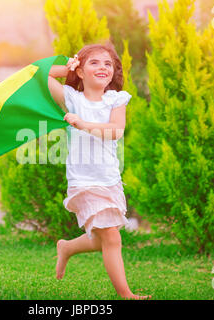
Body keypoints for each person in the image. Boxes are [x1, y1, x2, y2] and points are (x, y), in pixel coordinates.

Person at [48, 42, 151, 300]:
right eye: (94, 62)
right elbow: (40, 73)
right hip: (84, 181)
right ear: (81, 72)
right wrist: (68, 67)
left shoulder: (116, 99)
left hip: (109, 180)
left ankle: (68, 247)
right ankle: (125, 294)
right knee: (112, 238)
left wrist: (83, 124)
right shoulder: (72, 98)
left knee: (103, 237)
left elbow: (115, 131)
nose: (103, 67)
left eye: (108, 63)